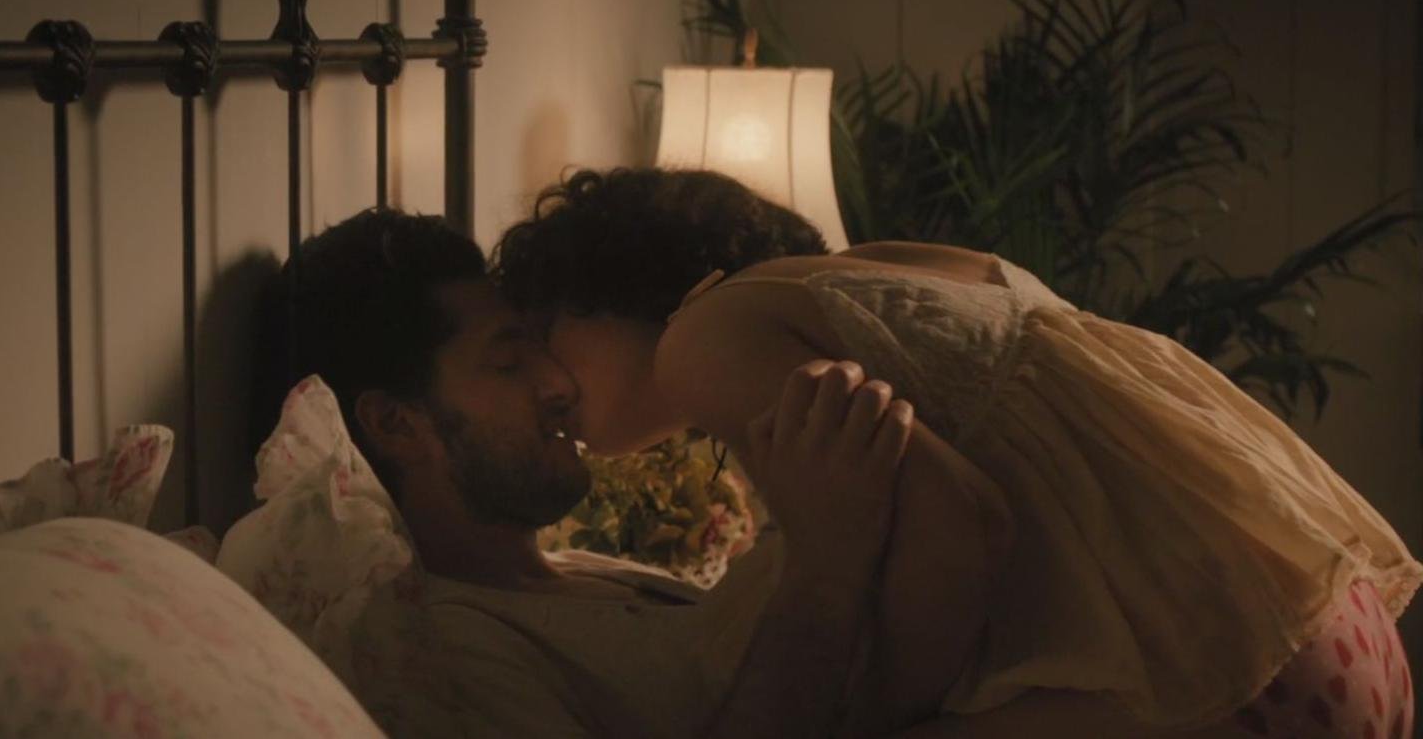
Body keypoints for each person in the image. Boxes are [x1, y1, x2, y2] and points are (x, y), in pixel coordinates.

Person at [488, 166, 1421, 737]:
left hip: (1225, 678)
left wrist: (878, 717)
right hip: (1330, 628)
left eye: (536, 335)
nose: (544, 381)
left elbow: (964, 522)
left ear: (605, 291)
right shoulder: (889, 268)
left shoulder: (703, 340)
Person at [252, 208, 918, 738]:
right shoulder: (442, 651)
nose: (559, 382)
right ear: (397, 424)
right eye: (508, 364)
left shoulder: (577, 569)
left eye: (542, 346)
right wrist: (826, 568)